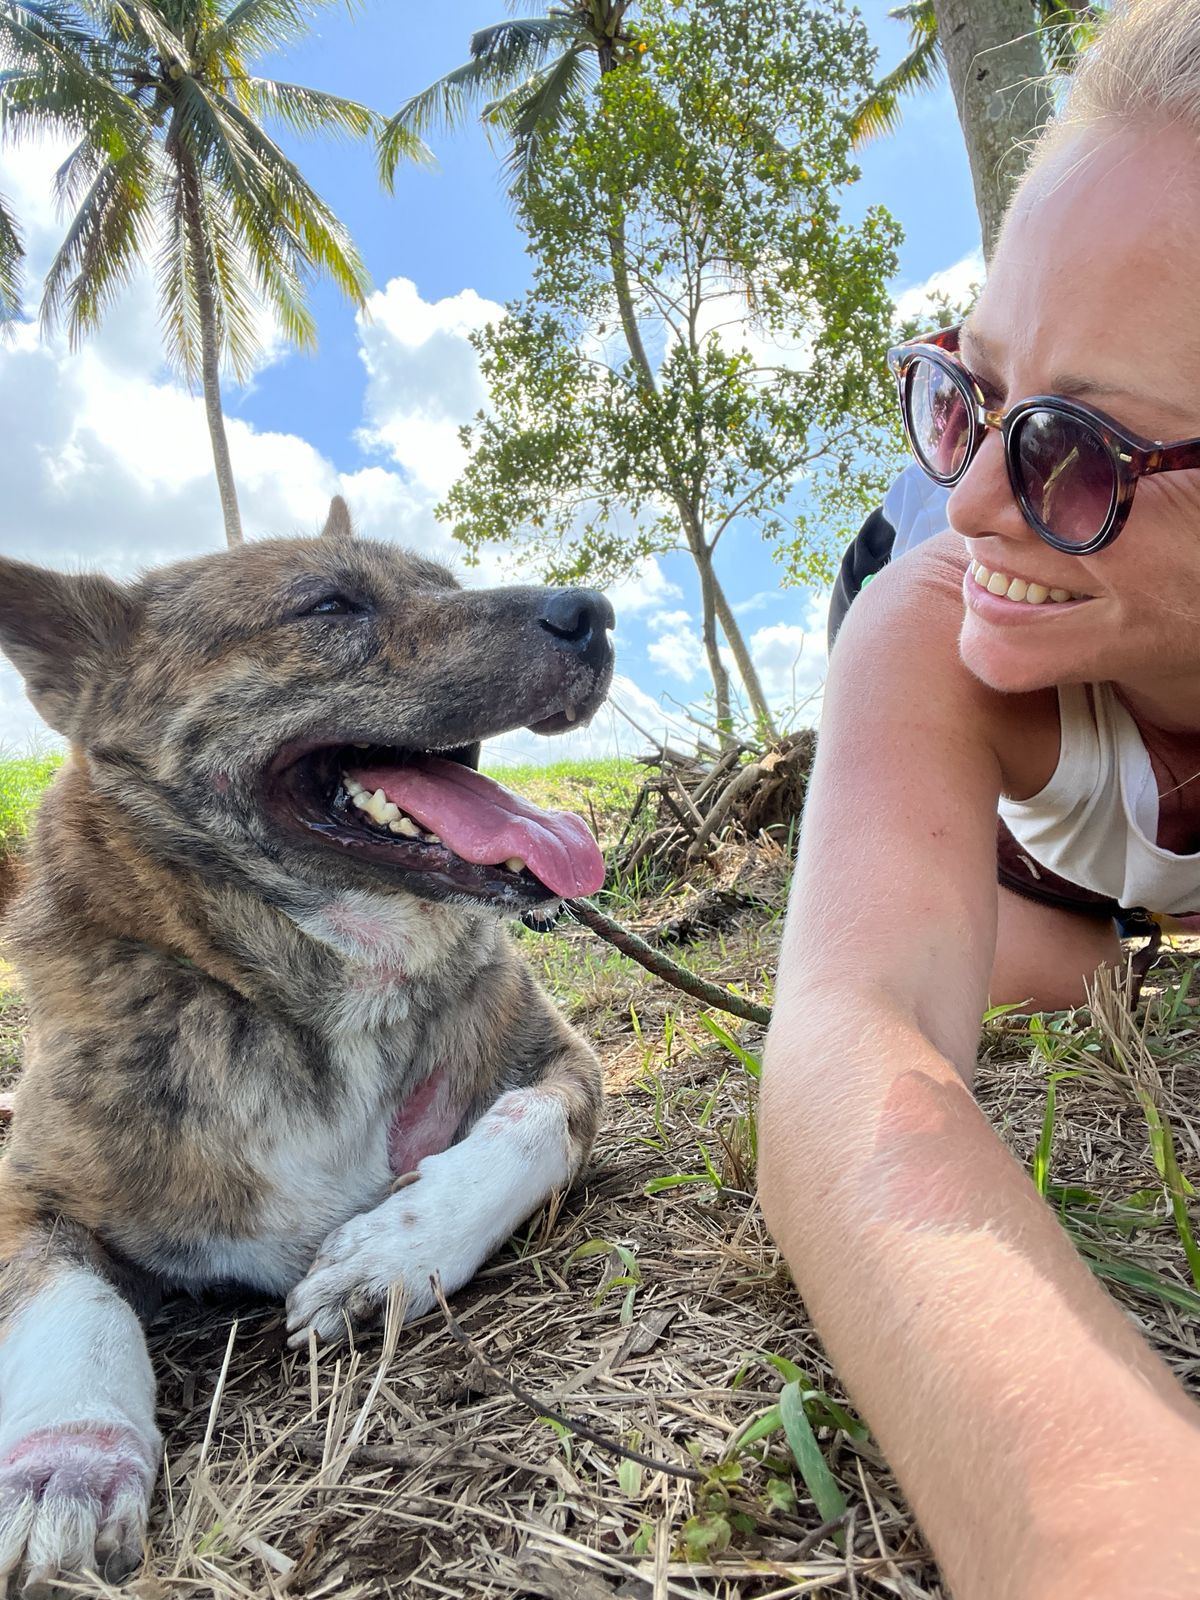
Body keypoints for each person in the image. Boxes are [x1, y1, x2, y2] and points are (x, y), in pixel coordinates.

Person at [759, 3, 1200, 1596]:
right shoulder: (942, 582)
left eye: (1074, 449)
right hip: (987, 729)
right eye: (968, 391)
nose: (976, 491)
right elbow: (849, 1051)